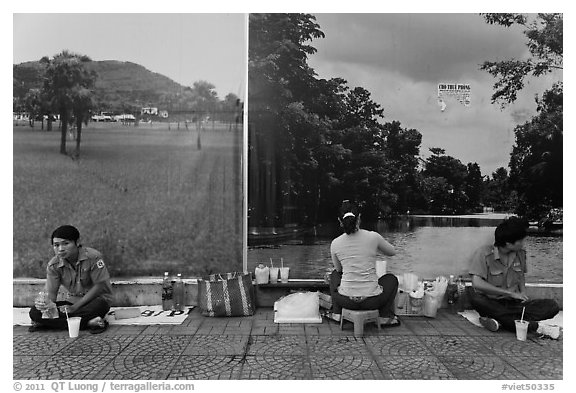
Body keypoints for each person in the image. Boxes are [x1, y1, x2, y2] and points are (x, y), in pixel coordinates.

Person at [468, 217, 561, 339]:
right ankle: (534, 326)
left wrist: (522, 292)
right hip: (491, 301)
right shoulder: (484, 253)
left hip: (513, 304)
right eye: (521, 241)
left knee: (552, 305)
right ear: (508, 243)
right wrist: (509, 293)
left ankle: (498, 320)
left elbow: (521, 275)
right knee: (476, 298)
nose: (523, 243)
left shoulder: (521, 254)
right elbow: (477, 283)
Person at [29, 225, 113, 334]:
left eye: (66, 243)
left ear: (77, 242)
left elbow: (99, 286)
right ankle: (89, 323)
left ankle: (50, 324)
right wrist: (44, 304)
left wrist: (74, 308)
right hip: (71, 302)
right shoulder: (54, 265)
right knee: (34, 313)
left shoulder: (93, 257)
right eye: (56, 245)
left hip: (94, 301)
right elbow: (51, 294)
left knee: (99, 306)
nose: (60, 249)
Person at [328, 200, 399, 326]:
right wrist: (375, 248)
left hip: (346, 300)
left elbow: (339, 270)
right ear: (359, 218)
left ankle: (336, 314)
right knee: (391, 279)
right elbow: (392, 252)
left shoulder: (335, 243)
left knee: (334, 274)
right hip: (372, 301)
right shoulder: (373, 237)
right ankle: (383, 316)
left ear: (340, 221)